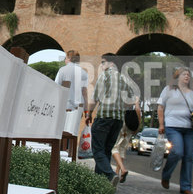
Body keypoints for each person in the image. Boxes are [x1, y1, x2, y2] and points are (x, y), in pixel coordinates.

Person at [86, 53, 136, 186]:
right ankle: (99, 182)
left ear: (111, 63)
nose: (101, 65)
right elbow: (131, 101)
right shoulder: (123, 79)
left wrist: (88, 113)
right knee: (106, 151)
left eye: (103, 62)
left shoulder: (105, 76)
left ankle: (110, 174)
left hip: (104, 117)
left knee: (97, 150)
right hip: (118, 120)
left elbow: (94, 98)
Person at [157, 66, 193, 194]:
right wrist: (161, 124)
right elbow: (160, 107)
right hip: (172, 126)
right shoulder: (168, 90)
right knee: (177, 151)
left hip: (190, 128)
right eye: (184, 74)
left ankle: (186, 186)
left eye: (188, 74)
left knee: (189, 157)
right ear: (177, 76)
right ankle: (166, 175)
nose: (187, 76)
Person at [111, 96, 141, 183]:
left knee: (114, 148)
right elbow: (138, 110)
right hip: (130, 125)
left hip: (122, 122)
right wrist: (138, 127)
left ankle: (123, 169)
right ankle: (117, 173)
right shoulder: (135, 96)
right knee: (122, 149)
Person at [55, 50, 89, 114]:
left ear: (69, 58)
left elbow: (56, 88)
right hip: (78, 109)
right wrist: (86, 111)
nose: (65, 60)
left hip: (65, 107)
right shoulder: (84, 73)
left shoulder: (62, 70)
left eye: (66, 58)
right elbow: (84, 94)